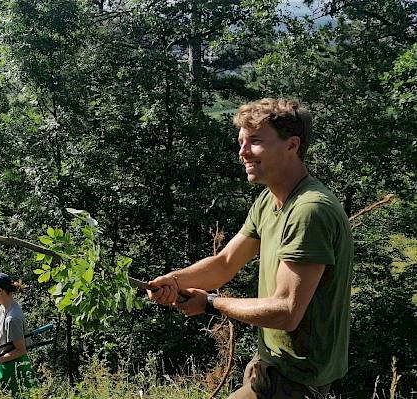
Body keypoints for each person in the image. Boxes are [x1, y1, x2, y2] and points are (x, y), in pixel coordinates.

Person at [147, 98, 354, 399]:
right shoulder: (270, 201)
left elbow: (286, 311)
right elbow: (225, 263)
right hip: (271, 367)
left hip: (296, 381)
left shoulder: (310, 211)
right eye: (241, 142)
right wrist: (175, 281)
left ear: (292, 145)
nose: (243, 152)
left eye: (255, 141)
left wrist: (210, 303)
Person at [0, 272, 37, 396]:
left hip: (16, 368)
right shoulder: (3, 308)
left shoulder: (12, 318)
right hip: (4, 366)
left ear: (0, 290)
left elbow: (21, 350)